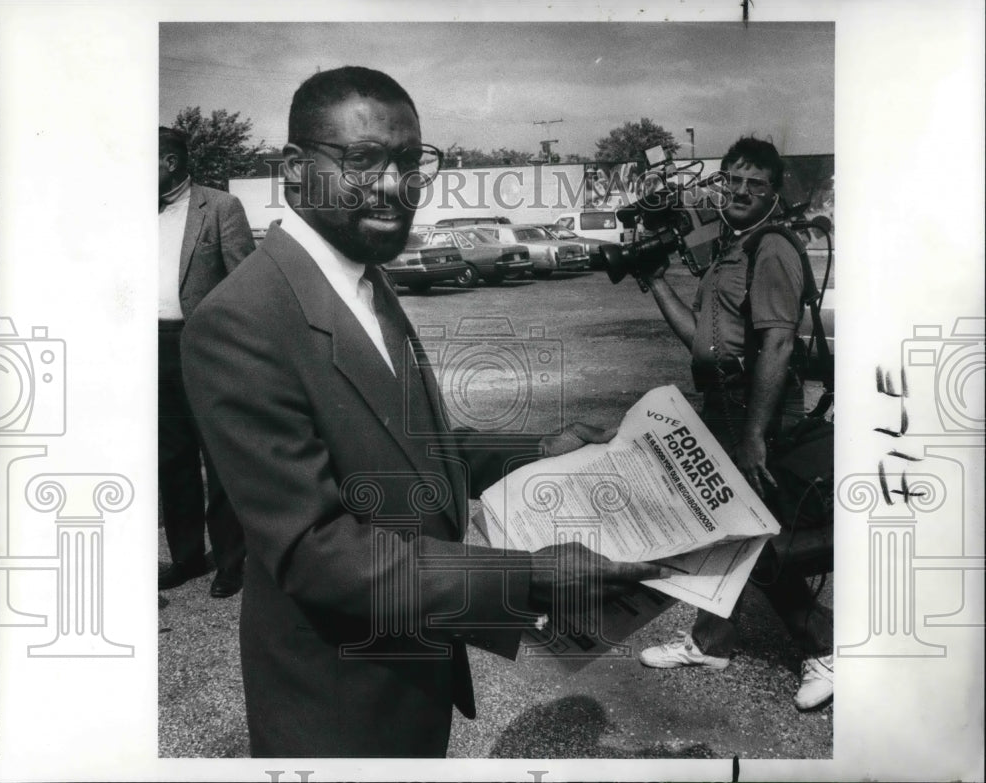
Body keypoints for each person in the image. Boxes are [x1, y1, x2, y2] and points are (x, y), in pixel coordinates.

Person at [180, 66, 662, 758]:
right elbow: (316, 552)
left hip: (410, 669)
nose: (392, 183)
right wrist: (527, 576)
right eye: (362, 158)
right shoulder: (240, 322)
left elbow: (411, 444)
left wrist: (536, 449)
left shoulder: (362, 278)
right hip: (337, 702)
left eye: (410, 160)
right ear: (293, 169)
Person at [637, 137, 833, 711]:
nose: (742, 191)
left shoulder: (771, 248)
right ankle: (711, 641)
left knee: (757, 539)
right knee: (725, 528)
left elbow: (775, 344)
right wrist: (654, 280)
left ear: (775, 192)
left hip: (758, 408)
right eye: (734, 180)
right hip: (724, 404)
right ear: (721, 184)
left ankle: (824, 647)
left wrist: (753, 436)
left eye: (756, 183)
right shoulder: (730, 247)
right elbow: (699, 335)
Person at [157, 127, 255, 598]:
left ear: (169, 161)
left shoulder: (219, 207)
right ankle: (187, 557)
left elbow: (246, 284)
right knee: (171, 458)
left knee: (219, 457)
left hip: (205, 347)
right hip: (151, 347)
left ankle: (231, 562)